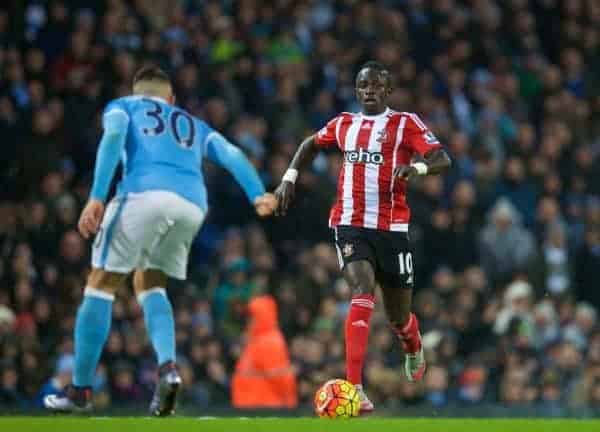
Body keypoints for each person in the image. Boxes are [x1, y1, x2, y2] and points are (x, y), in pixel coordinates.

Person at [43, 66, 277, 415]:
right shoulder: (192, 124)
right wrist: (258, 193)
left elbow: (111, 140)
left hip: (143, 194)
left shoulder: (124, 106)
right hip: (192, 204)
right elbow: (230, 152)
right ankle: (168, 368)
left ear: (138, 92)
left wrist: (96, 196)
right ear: (171, 99)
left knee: (100, 284)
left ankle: (80, 390)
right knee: (150, 282)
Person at [274, 61, 451, 413]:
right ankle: (355, 387)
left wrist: (415, 168)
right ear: (356, 90)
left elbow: (441, 158)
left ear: (388, 90)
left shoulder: (405, 124)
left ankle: (413, 346)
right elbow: (310, 143)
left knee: (399, 316)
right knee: (361, 289)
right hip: (350, 222)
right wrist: (289, 178)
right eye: (362, 85)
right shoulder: (344, 124)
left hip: (392, 229)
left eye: (375, 85)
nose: (368, 90)